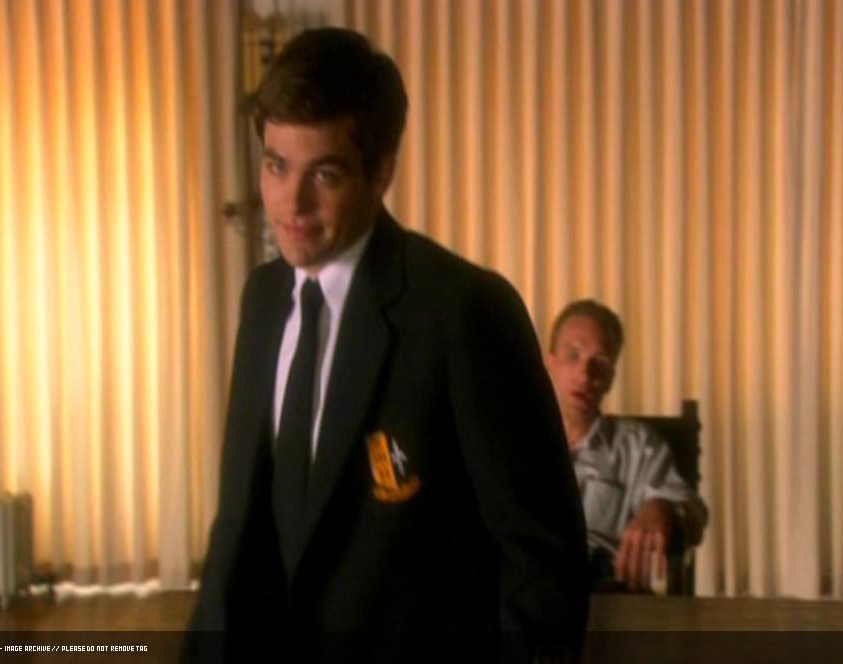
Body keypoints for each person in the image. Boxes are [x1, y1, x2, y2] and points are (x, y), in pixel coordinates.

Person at [183, 28, 587, 661]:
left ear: (381, 171)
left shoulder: (464, 312)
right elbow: (237, 537)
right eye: (276, 165)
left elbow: (542, 566)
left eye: (324, 174)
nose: (291, 203)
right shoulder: (262, 300)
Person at [545, 300, 708, 592]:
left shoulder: (637, 445)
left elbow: (696, 517)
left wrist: (662, 508)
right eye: (573, 356)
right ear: (550, 363)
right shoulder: (506, 437)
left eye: (600, 362)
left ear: (611, 377)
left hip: (603, 597)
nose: (585, 374)